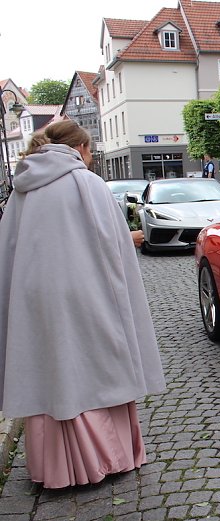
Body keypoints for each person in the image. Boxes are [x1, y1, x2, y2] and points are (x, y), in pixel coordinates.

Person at [0, 120, 166, 489]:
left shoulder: (22, 189)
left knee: (51, 368)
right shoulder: (86, 183)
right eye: (90, 152)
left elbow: (9, 249)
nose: (91, 160)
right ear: (80, 149)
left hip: (35, 297)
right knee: (97, 366)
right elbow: (108, 244)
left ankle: (52, 466)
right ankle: (106, 457)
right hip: (85, 292)